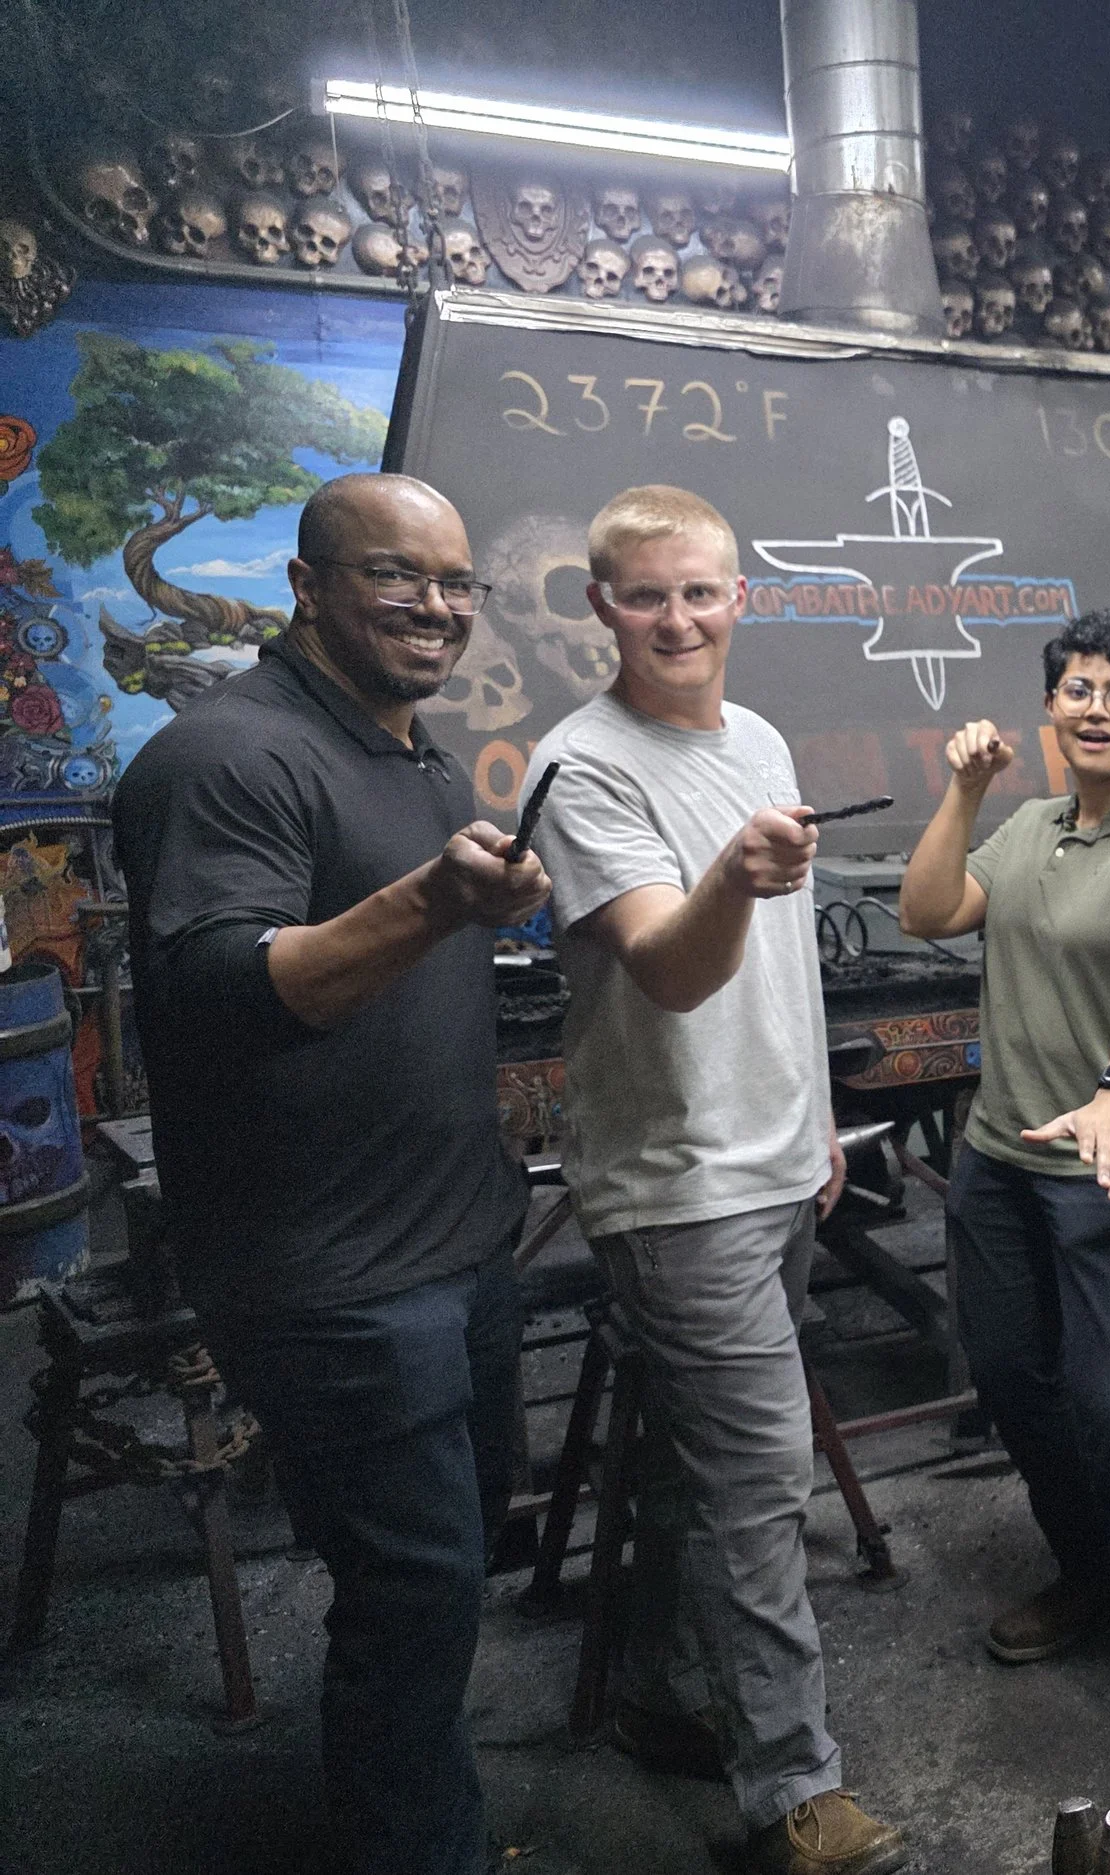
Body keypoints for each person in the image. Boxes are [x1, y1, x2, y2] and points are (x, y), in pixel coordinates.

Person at [115, 473, 548, 1875]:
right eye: (395, 574)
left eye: (457, 582)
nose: (436, 605)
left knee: (446, 1568)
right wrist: (435, 898)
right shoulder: (224, 758)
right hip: (334, 1279)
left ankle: (416, 1803)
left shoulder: (416, 760)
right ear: (307, 586)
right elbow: (220, 991)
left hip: (455, 1245)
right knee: (410, 1593)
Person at [519, 486, 902, 1875]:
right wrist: (736, 874)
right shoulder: (581, 768)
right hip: (677, 1186)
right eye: (645, 595)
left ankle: (663, 1694)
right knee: (758, 1482)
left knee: (705, 1474)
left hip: (775, 1161)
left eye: (699, 591)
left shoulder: (759, 740)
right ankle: (794, 1790)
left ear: (742, 597)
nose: (675, 619)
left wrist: (815, 1128)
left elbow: (779, 979)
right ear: (600, 607)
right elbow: (675, 973)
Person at [898, 606, 1110, 1845]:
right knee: (1012, 1381)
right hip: (1002, 1156)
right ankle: (1090, 1574)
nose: (1096, 708)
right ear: (1050, 709)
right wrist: (961, 790)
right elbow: (927, 911)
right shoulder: (1030, 825)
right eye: (1077, 690)